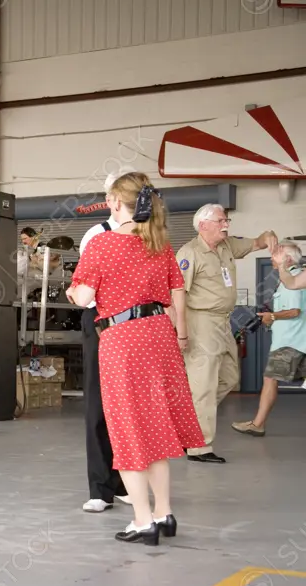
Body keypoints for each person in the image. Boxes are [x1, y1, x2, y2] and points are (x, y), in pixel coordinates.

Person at [66, 172, 204, 545]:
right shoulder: (161, 245)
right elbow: (177, 293)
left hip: (123, 339)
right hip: (159, 334)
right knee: (157, 426)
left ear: (114, 202)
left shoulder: (102, 244)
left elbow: (82, 298)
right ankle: (164, 512)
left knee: (126, 427)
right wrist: (181, 332)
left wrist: (71, 288)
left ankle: (142, 521)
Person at [175, 205, 278, 463]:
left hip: (223, 322)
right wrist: (180, 333)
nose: (226, 224)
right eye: (221, 220)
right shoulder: (189, 253)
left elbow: (255, 243)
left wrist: (268, 236)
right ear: (203, 225)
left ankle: (184, 419)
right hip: (200, 321)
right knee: (205, 387)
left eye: (226, 219)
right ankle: (198, 447)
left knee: (230, 376)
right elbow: (176, 296)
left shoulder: (227, 246)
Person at [77, 172, 129, 513]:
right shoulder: (96, 236)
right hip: (100, 321)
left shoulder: (146, 236)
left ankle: (125, 480)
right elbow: (85, 289)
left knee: (129, 407)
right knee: (98, 404)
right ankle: (100, 487)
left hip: (136, 327)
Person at [232, 242, 306, 436]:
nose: (272, 257)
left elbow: (295, 311)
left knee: (270, 378)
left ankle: (258, 424)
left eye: (276, 255)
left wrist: (272, 317)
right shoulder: (288, 278)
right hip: (294, 340)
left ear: (288, 259)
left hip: (290, 341)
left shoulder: (295, 278)